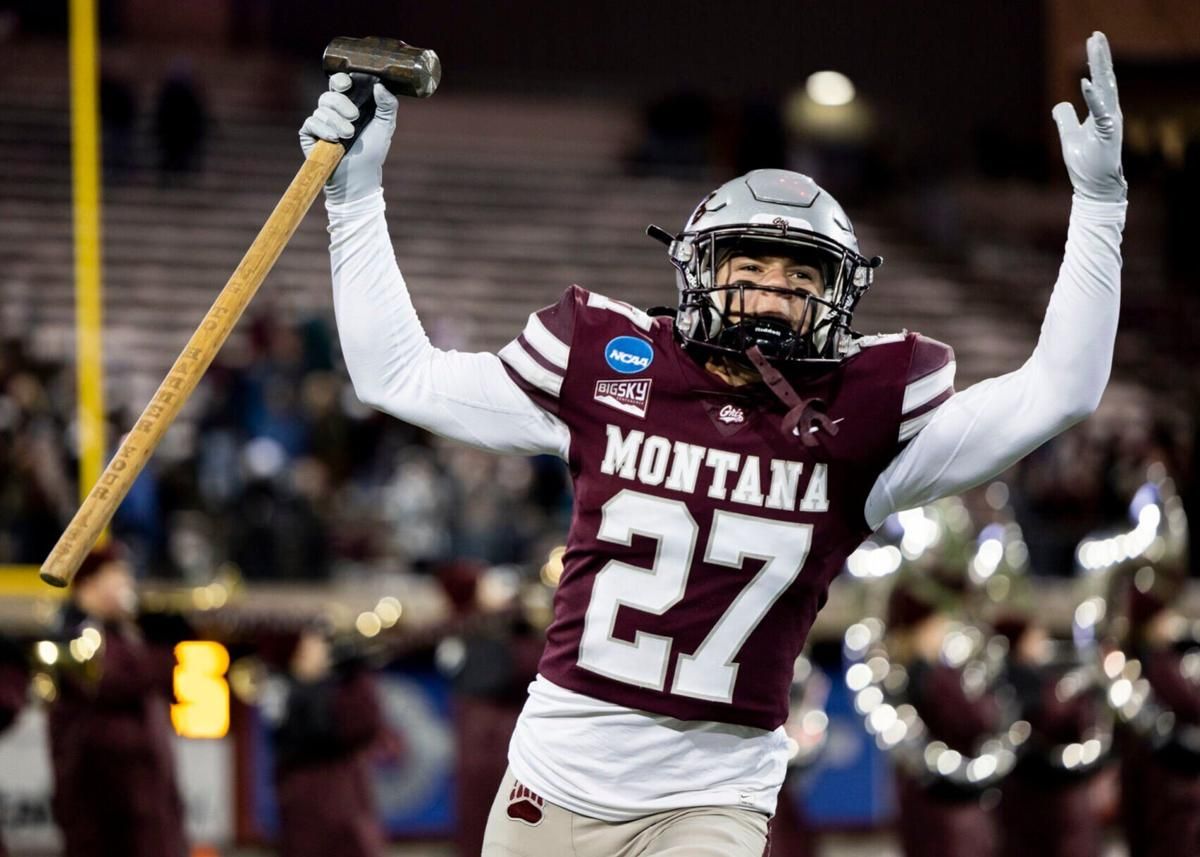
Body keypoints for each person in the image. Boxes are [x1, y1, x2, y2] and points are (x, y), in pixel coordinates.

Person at [299, 31, 1127, 857]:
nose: (772, 295)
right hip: (555, 778)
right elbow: (395, 376)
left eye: (801, 279)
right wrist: (353, 198)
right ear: (698, 271)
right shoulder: (608, 364)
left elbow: (1061, 391)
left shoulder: (861, 418)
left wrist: (1099, 207)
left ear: (838, 298)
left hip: (715, 794)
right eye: (751, 269)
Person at [46, 545, 187, 857]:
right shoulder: (75, 633)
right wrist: (162, 647)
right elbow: (111, 682)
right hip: (105, 808)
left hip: (144, 804)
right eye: (118, 575)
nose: (128, 584)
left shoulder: (126, 633)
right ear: (90, 583)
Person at [265, 629, 388, 857]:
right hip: (310, 803)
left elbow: (367, 725)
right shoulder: (284, 689)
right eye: (316, 643)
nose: (324, 651)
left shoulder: (332, 687)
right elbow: (321, 732)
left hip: (344, 800)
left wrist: (356, 676)